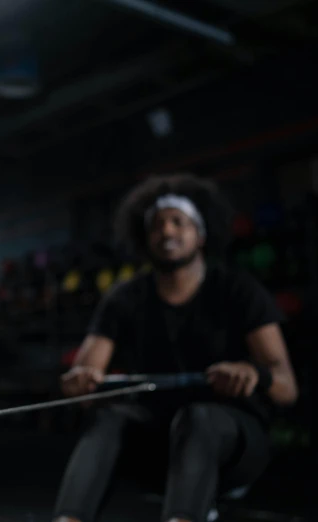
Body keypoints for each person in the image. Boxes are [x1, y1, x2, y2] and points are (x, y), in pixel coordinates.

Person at [52, 174, 298, 522]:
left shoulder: (238, 290)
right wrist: (81, 382)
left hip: (232, 446)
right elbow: (87, 375)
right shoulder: (124, 298)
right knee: (109, 420)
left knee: (197, 417)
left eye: (178, 223)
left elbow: (288, 388)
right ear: (145, 237)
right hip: (158, 452)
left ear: (200, 235)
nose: (167, 232)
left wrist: (253, 373)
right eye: (157, 225)